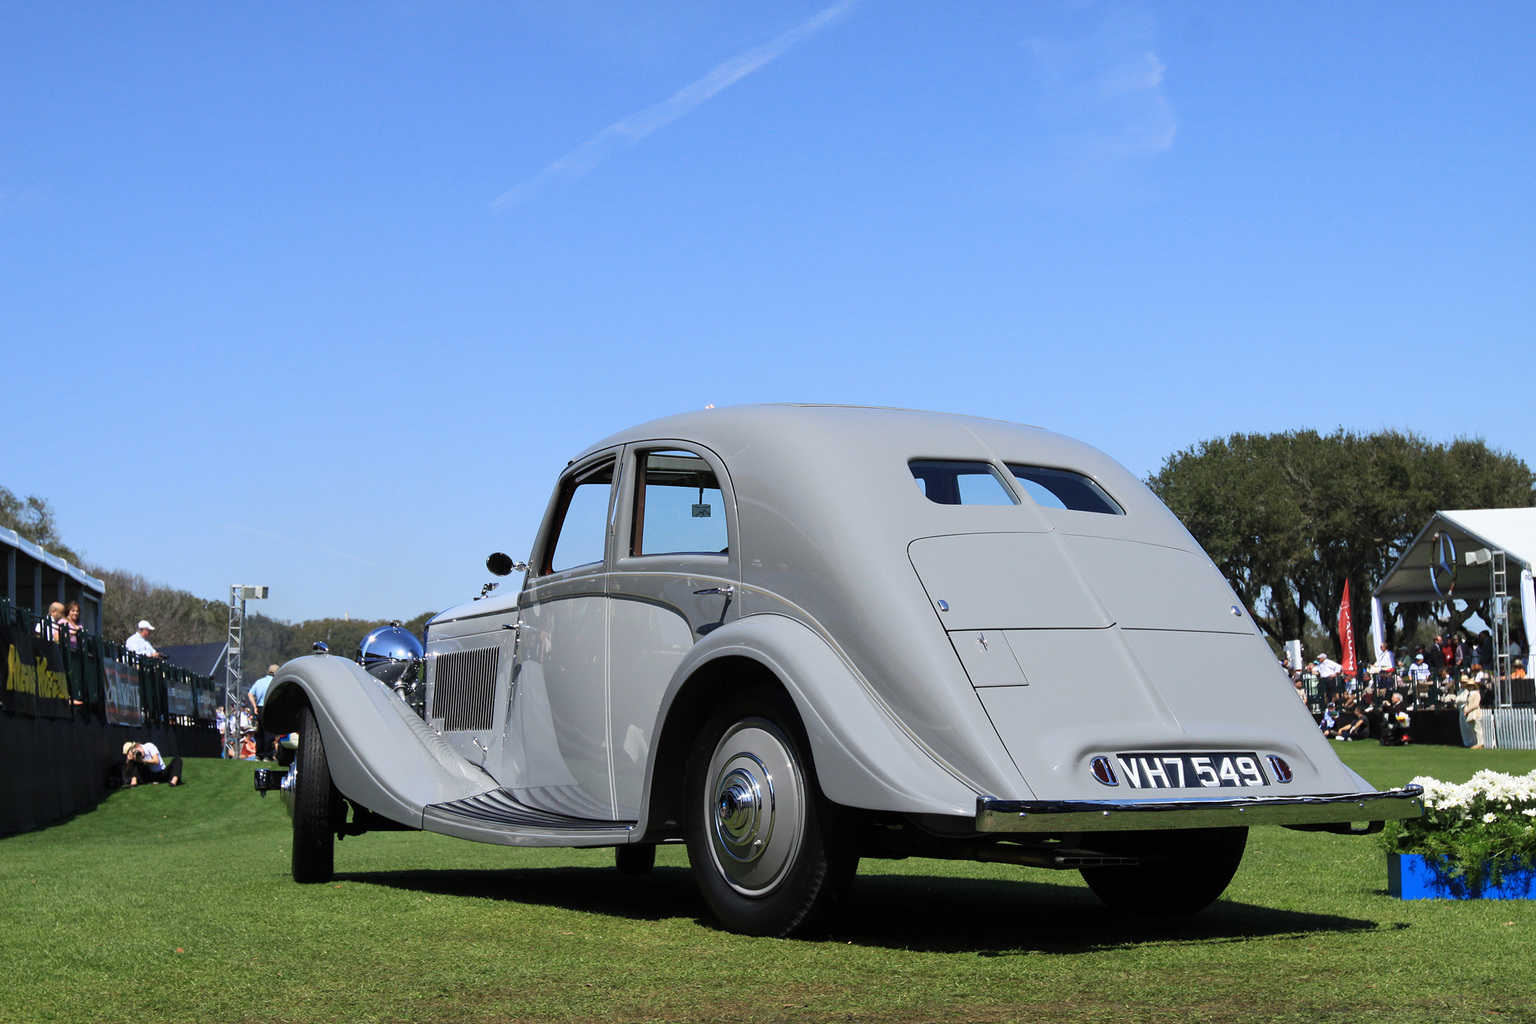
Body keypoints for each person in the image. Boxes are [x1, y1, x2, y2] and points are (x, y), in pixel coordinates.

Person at [247, 664, 280, 761]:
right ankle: (268, 755)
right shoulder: (275, 682)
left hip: (259, 708)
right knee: (268, 732)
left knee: (259, 732)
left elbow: (250, 694)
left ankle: (259, 754)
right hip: (270, 707)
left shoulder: (259, 681)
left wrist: (254, 706)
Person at [1454, 674, 1483, 749]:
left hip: (1475, 713)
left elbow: (1475, 704)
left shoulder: (1476, 693)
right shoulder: (1464, 692)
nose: (1469, 687)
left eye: (1471, 686)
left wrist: (1468, 709)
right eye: (1468, 686)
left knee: (1477, 729)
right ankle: (1471, 743)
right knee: (1468, 728)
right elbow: (1458, 700)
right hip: (1467, 711)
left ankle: (1479, 743)